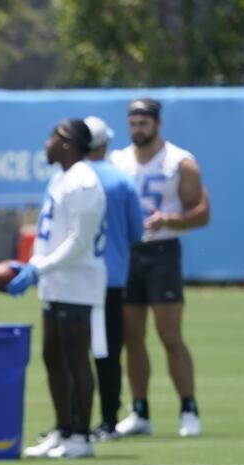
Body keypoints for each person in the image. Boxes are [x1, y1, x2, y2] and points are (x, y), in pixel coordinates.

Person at [109, 98, 210, 438]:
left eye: (144, 123)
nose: (138, 129)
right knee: (131, 335)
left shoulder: (179, 162)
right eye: (133, 123)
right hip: (129, 253)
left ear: (157, 124)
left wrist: (170, 219)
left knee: (170, 335)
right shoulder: (118, 161)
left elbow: (202, 212)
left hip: (163, 252)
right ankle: (140, 410)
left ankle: (188, 407)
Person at [7, 119, 107, 459]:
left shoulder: (83, 182)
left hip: (77, 283)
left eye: (52, 137)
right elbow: (51, 234)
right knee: (53, 357)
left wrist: (38, 268)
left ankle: (82, 436)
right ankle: (63, 430)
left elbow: (80, 241)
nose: (46, 143)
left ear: (67, 142)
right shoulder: (62, 178)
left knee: (76, 358)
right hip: (56, 283)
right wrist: (36, 265)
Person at [83, 116, 144, 441]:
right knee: (107, 354)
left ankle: (73, 421)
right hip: (111, 279)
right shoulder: (121, 181)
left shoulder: (67, 178)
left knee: (72, 353)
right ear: (104, 143)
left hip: (74, 280)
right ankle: (108, 419)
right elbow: (137, 231)